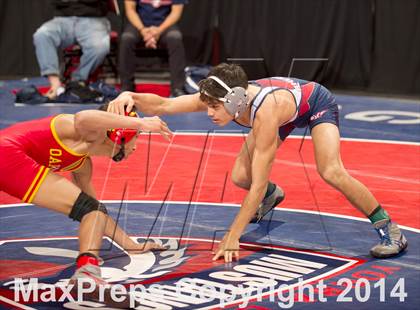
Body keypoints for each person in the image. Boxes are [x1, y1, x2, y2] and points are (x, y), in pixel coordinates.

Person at [107, 63, 408, 262]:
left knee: (330, 170)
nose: (209, 113)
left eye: (214, 107)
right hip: (284, 107)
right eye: (208, 105)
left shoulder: (264, 113)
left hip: (314, 102)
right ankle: (273, 198)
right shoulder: (224, 96)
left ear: (236, 101)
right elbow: (163, 104)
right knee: (240, 175)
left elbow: (259, 182)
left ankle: (389, 228)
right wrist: (129, 95)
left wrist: (232, 235)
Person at [0, 108, 172, 289]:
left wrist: (129, 245)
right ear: (121, 135)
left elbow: (97, 215)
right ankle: (87, 273)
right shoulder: (83, 131)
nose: (136, 147)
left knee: (92, 210)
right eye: (136, 137)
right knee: (90, 209)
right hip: (7, 153)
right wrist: (142, 123)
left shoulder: (81, 163)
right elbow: (83, 117)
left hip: (9, 158)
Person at [33, 0, 111, 99]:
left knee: (100, 46)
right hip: (63, 19)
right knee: (42, 35)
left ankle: (76, 81)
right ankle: (55, 84)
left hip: (93, 18)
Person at [119, 0, 187, 96]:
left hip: (165, 24)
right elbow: (130, 10)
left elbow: (176, 13)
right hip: (139, 24)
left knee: (175, 38)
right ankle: (126, 87)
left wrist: (159, 30)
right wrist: (142, 30)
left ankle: (177, 88)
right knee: (127, 38)